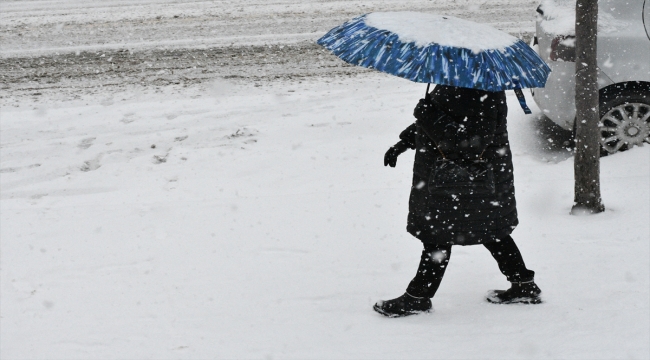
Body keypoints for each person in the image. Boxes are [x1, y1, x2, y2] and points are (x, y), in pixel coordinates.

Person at [374, 85, 542, 318]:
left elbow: (470, 142)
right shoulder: (462, 82)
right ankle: (524, 285)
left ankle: (418, 298)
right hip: (464, 181)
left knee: (439, 237)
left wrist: (427, 114)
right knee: (493, 232)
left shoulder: (479, 90)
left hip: (464, 181)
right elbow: (446, 120)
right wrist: (404, 142)